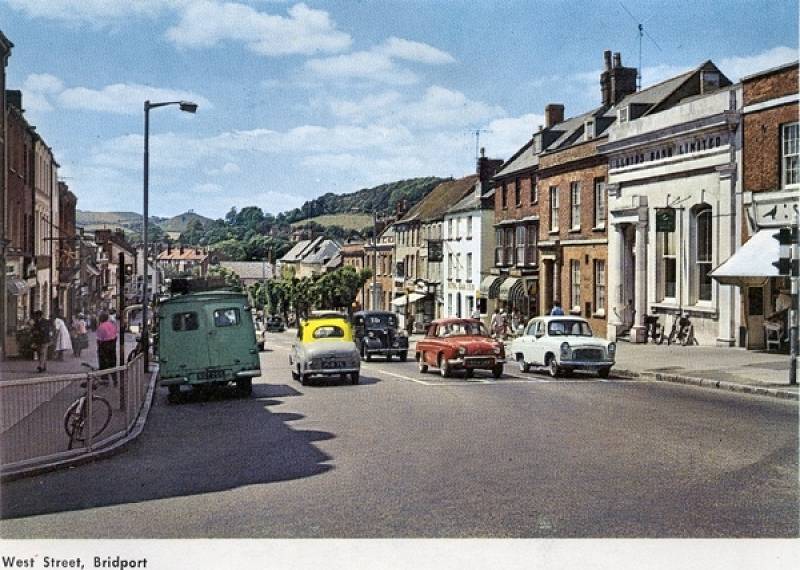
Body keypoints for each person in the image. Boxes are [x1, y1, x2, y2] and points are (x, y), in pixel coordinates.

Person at [96, 311, 118, 381]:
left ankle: (105, 379)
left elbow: (99, 339)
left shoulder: (101, 327)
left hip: (104, 346)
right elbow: (115, 335)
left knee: (103, 363)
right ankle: (115, 379)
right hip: (112, 345)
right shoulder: (112, 325)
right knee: (112, 362)